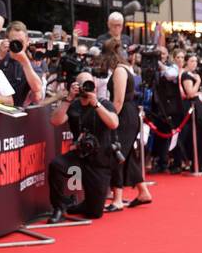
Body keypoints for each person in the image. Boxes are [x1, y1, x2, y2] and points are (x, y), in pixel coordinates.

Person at [48, 71, 120, 222]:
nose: (87, 89)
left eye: (90, 85)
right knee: (56, 165)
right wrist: (68, 98)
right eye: (83, 85)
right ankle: (59, 207)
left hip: (100, 159)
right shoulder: (73, 105)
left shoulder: (103, 103)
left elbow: (114, 123)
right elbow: (55, 121)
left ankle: (83, 204)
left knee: (94, 213)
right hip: (79, 155)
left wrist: (96, 105)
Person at [103, 41, 152, 210]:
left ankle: (117, 199)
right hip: (127, 114)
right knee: (128, 155)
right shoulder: (123, 69)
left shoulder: (119, 71)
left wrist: (108, 117)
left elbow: (118, 102)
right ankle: (143, 191)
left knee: (115, 154)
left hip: (124, 115)